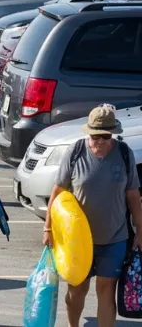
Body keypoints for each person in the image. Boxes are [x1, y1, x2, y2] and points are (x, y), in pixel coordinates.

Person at [43, 105, 142, 327]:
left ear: (112, 134)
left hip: (114, 238)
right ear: (88, 133)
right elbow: (57, 192)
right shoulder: (76, 152)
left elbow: (134, 196)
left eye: (105, 137)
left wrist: (140, 231)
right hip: (78, 242)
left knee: (106, 290)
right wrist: (48, 229)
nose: (99, 141)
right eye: (95, 136)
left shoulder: (124, 154)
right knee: (77, 291)